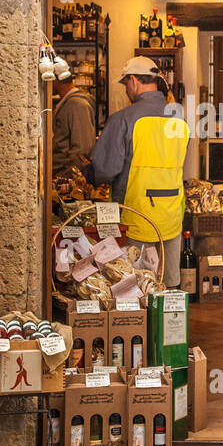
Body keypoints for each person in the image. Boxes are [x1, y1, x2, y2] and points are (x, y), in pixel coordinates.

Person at [87, 57, 189, 287]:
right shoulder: (180, 118)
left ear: (133, 81)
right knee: (168, 285)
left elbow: (104, 171)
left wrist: (87, 171)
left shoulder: (123, 119)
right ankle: (168, 323)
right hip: (172, 215)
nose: (126, 90)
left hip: (135, 216)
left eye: (125, 85)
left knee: (133, 289)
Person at [51, 71, 96, 176]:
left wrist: (66, 175)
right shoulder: (68, 102)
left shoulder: (77, 104)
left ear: (55, 80)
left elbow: (83, 148)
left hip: (65, 176)